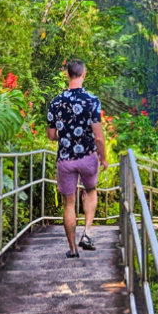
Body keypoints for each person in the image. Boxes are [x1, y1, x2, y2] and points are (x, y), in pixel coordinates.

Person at [46, 59, 107, 258]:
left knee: (68, 203)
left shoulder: (56, 102)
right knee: (90, 190)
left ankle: (72, 249)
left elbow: (51, 135)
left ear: (67, 74)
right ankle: (87, 232)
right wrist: (103, 158)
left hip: (65, 159)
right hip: (88, 157)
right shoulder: (92, 100)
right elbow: (98, 136)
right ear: (84, 74)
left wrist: (64, 136)